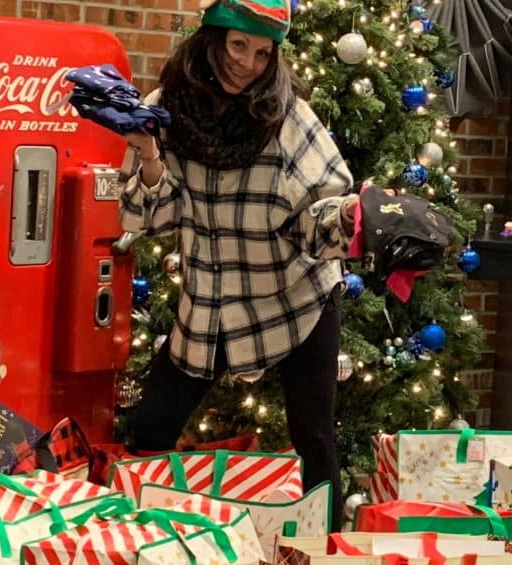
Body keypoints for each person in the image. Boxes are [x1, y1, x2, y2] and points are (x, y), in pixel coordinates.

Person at [119, 0, 357, 530]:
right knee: (152, 426)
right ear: (214, 38)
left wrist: (348, 216)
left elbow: (316, 215)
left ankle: (326, 549)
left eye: (262, 52)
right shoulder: (166, 108)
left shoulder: (288, 116)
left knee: (314, 437)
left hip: (295, 295)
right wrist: (150, 155)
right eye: (238, 45)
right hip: (212, 297)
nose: (247, 63)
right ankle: (137, 539)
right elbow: (144, 215)